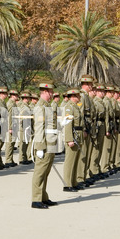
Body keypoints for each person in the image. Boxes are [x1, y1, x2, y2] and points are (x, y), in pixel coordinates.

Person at [31, 81, 58, 209]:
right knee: (40, 172)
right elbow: (39, 128)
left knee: (46, 172)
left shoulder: (47, 106)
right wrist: (40, 147)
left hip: (50, 141)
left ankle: (43, 197)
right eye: (51, 92)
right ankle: (36, 199)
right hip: (45, 143)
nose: (52, 94)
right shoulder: (40, 106)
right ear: (46, 92)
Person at [63, 88, 85, 192]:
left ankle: (74, 182)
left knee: (76, 161)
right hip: (73, 136)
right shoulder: (69, 107)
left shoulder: (76, 107)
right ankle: (67, 184)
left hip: (78, 135)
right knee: (70, 161)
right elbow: (68, 124)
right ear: (73, 96)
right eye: (78, 96)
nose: (79, 97)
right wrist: (69, 139)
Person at [4, 89, 19, 167]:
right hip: (11, 126)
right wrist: (10, 127)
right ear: (13, 96)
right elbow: (9, 116)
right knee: (9, 143)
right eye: (16, 95)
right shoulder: (10, 104)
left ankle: (10, 159)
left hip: (14, 125)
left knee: (12, 143)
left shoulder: (13, 103)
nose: (17, 97)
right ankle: (8, 160)